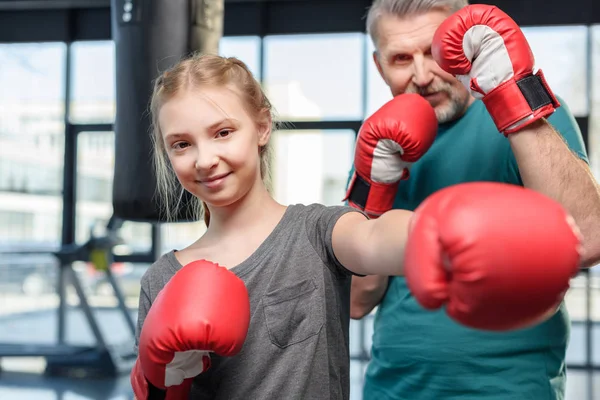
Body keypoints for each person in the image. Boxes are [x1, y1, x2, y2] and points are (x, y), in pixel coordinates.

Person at [128, 52, 581, 400]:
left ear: (262, 126)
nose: (205, 159)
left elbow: (376, 236)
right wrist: (164, 380)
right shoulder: (162, 280)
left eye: (223, 132)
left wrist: (451, 233)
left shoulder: (316, 230)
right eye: (182, 144)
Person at [347, 1, 600, 399]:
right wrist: (374, 189)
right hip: (393, 388)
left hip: (510, 389)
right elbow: (357, 301)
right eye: (400, 59)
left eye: (433, 52)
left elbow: (586, 239)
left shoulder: (535, 114)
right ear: (379, 67)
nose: (421, 75)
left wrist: (513, 101)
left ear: (462, 45)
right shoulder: (380, 142)